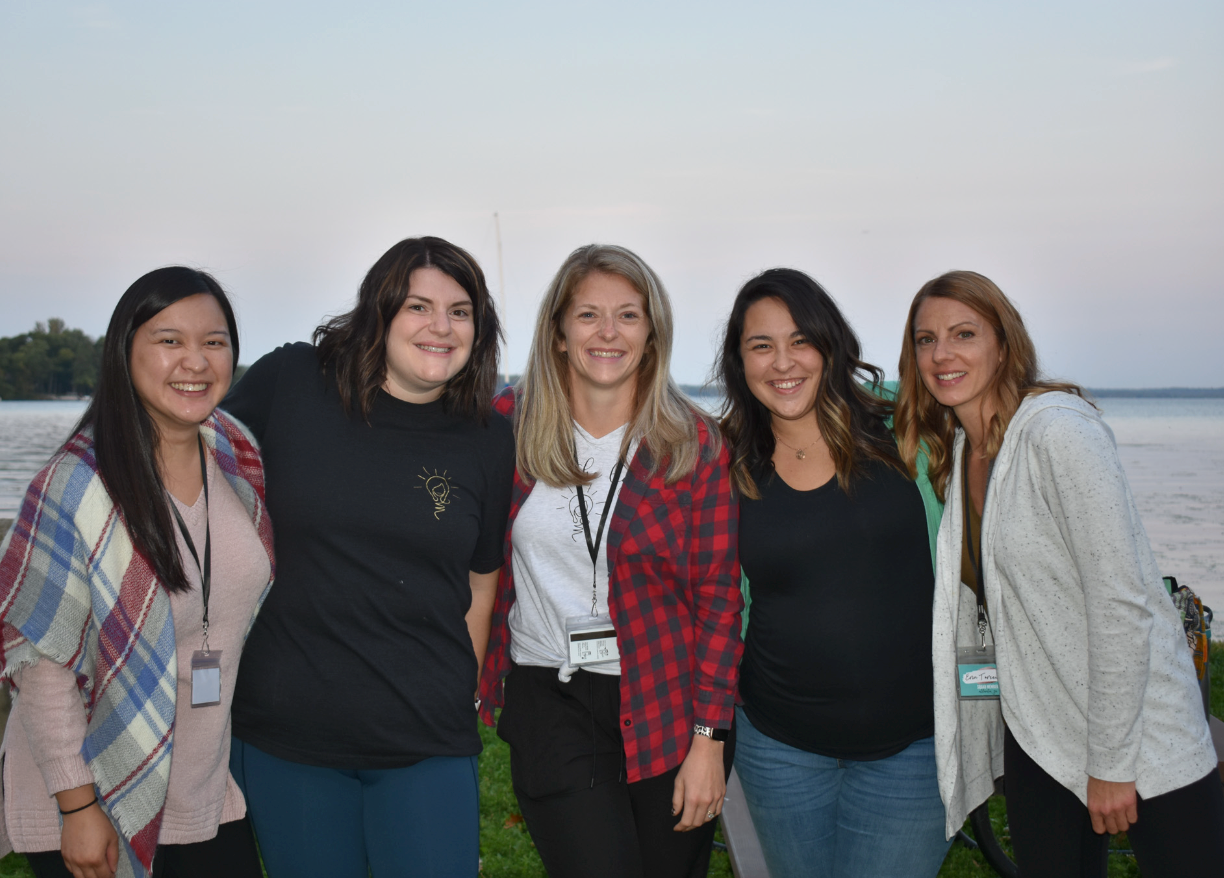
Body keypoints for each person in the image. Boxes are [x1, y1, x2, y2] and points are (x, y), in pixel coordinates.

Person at [896, 269, 1224, 877]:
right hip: (1041, 735)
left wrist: (1112, 764)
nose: (942, 354)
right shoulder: (963, 450)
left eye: (964, 334)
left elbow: (1121, 604)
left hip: (1139, 736)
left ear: (1004, 344)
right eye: (926, 339)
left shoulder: (1059, 432)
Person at [220, 237, 512, 878]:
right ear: (378, 312)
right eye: (418, 306)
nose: (441, 326)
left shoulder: (488, 436)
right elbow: (188, 458)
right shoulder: (292, 382)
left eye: (460, 311)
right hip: (289, 734)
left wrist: (458, 690)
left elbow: (481, 580)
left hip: (426, 735)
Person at [0, 267, 274, 878]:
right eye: (170, 340)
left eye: (214, 342)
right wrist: (78, 805)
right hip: (92, 791)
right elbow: (43, 662)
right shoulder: (76, 485)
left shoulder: (234, 454)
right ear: (124, 353)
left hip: (202, 784)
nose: (196, 361)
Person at [476, 244, 741, 878]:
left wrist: (709, 740)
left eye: (627, 315)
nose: (607, 332)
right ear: (559, 332)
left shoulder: (692, 443)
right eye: (588, 314)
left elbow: (718, 600)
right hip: (550, 697)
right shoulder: (509, 426)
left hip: (667, 702)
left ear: (652, 334)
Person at [712, 268, 951, 878]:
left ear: (831, 345)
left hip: (915, 748)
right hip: (778, 749)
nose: (782, 362)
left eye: (801, 341)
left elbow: (991, 409)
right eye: (761, 345)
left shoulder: (906, 427)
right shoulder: (725, 462)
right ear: (740, 361)